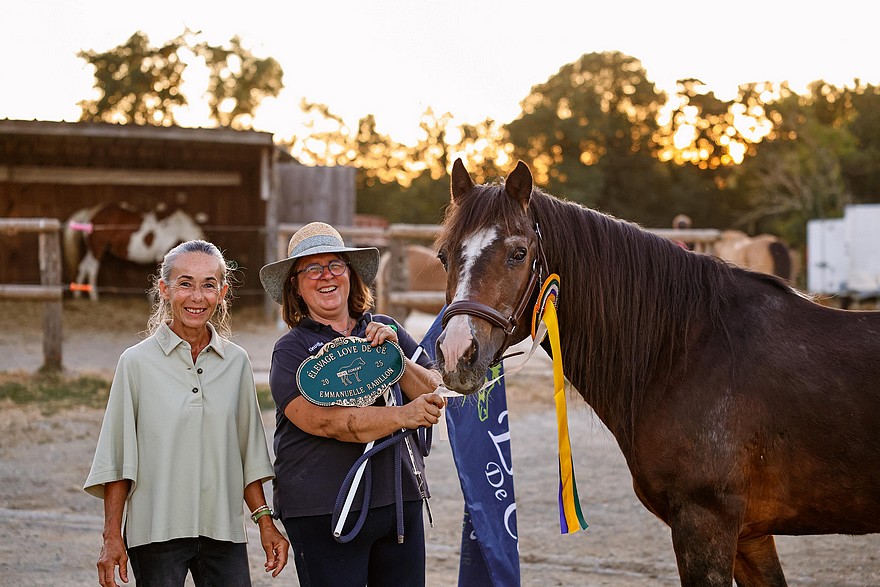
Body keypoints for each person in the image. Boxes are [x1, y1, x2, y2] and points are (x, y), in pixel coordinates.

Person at [84, 239, 289, 587]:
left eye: (209, 285)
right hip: (155, 532)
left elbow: (248, 453)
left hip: (223, 530)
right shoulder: (135, 363)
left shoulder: (237, 362)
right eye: (185, 284)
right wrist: (111, 537)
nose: (197, 297)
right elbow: (118, 459)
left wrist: (266, 524)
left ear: (222, 293)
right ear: (164, 290)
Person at [259, 222, 445, 587]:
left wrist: (398, 358)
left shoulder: (386, 328)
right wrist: (403, 415)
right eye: (312, 268)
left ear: (350, 275)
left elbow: (434, 390)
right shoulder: (291, 351)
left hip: (397, 503)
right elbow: (326, 422)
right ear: (295, 285)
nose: (325, 276)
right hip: (324, 507)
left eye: (335, 265)